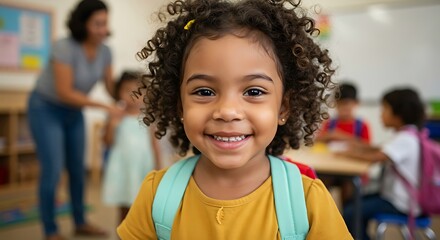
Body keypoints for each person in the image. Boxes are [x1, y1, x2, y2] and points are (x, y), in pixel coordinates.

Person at [117, 0, 352, 239]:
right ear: (180, 106)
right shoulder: (156, 194)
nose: (228, 111)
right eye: (204, 92)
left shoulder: (307, 200)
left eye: (254, 92)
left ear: (283, 107)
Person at [27, 0, 120, 239]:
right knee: (53, 170)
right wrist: (104, 106)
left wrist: (131, 93)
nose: (103, 29)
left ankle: (80, 221)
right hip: (46, 108)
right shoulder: (64, 47)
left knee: (78, 170)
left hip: (73, 112)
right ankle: (51, 229)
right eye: (97, 24)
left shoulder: (106, 51)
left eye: (105, 23)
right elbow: (65, 92)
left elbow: (112, 89)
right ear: (83, 24)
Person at [341, 88, 425, 240]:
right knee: (353, 203)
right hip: (395, 197)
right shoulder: (405, 134)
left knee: (350, 212)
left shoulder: (405, 139)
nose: (381, 114)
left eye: (385, 109)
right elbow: (378, 147)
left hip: (401, 203)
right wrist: (355, 145)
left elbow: (376, 156)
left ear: (399, 114)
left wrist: (346, 153)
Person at [102, 71, 162, 224]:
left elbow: (154, 145)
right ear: (118, 93)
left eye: (139, 91)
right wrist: (112, 125)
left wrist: (158, 168)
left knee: (143, 206)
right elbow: (107, 142)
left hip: (143, 166)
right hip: (122, 167)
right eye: (127, 90)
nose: (133, 95)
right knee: (123, 208)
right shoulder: (116, 116)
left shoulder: (148, 118)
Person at [316, 82, 372, 205]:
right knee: (320, 183)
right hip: (331, 167)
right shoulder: (331, 124)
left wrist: (342, 136)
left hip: (352, 171)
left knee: (349, 187)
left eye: (347, 105)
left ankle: (348, 216)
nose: (344, 110)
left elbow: (368, 147)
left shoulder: (361, 125)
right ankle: (324, 210)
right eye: (340, 105)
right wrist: (329, 136)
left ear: (356, 103)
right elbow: (316, 140)